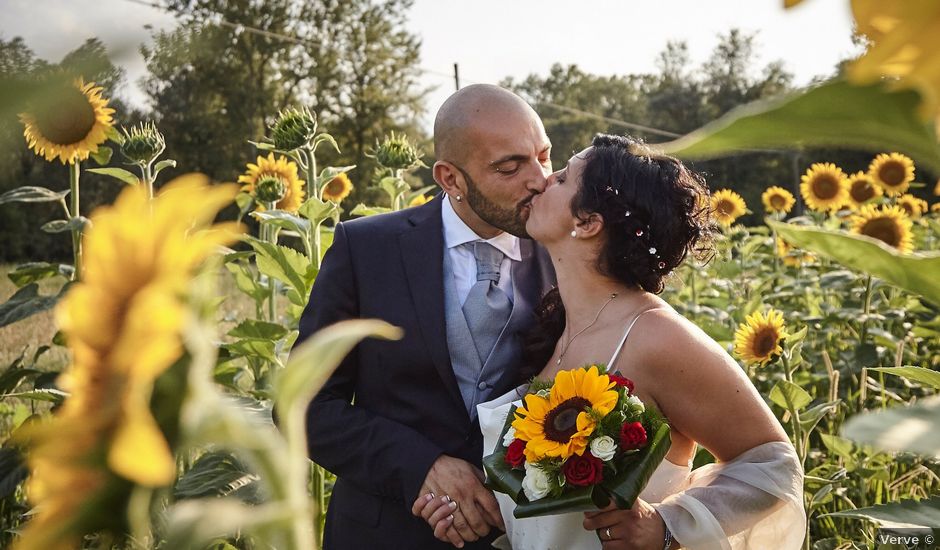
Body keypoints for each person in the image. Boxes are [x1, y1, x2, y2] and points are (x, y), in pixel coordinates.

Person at [415, 134, 806, 549]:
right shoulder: (553, 330)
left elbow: (773, 463)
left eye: (562, 177)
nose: (542, 181)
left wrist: (667, 525)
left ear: (587, 223)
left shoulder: (655, 336)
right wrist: (467, 510)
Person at [295, 84, 557, 549]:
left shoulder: (568, 253)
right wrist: (420, 466)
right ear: (450, 178)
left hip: (519, 534)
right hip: (383, 533)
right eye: (510, 166)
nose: (538, 179)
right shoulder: (366, 249)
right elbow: (303, 405)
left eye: (544, 156)